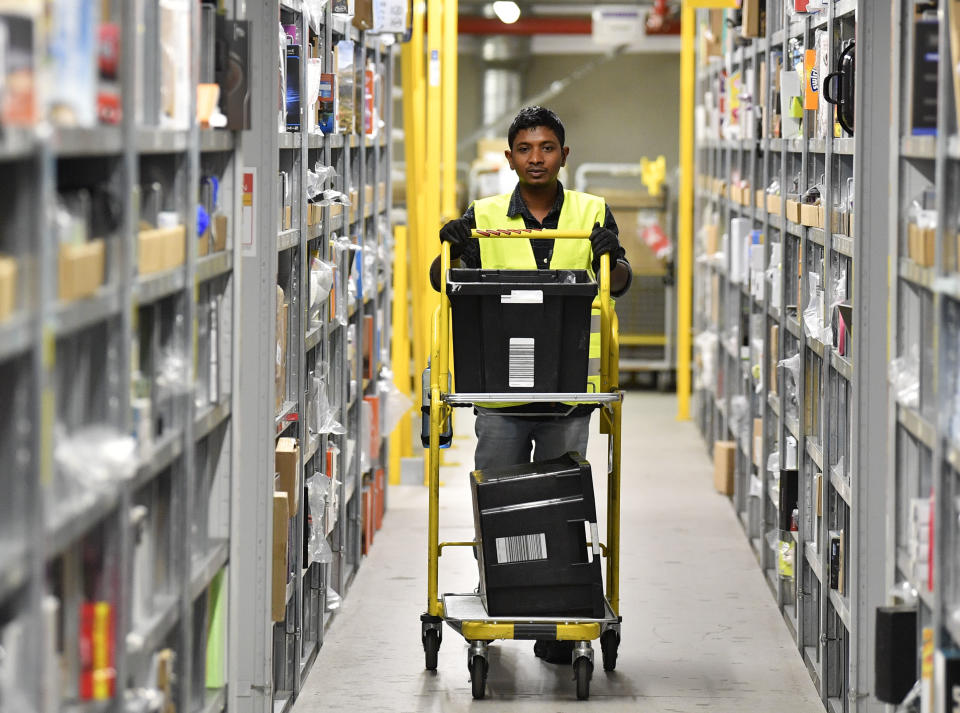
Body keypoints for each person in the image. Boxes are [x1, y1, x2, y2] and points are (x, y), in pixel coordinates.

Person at [429, 106, 632, 664]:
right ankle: (500, 597)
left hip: (569, 391)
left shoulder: (592, 212)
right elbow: (446, 280)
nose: (536, 157)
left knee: (562, 504)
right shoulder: (486, 213)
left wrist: (607, 255)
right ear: (510, 157)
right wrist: (451, 246)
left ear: (564, 154)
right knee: (501, 503)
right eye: (525, 148)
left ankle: (557, 614)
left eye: (546, 147)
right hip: (502, 394)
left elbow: (619, 281)